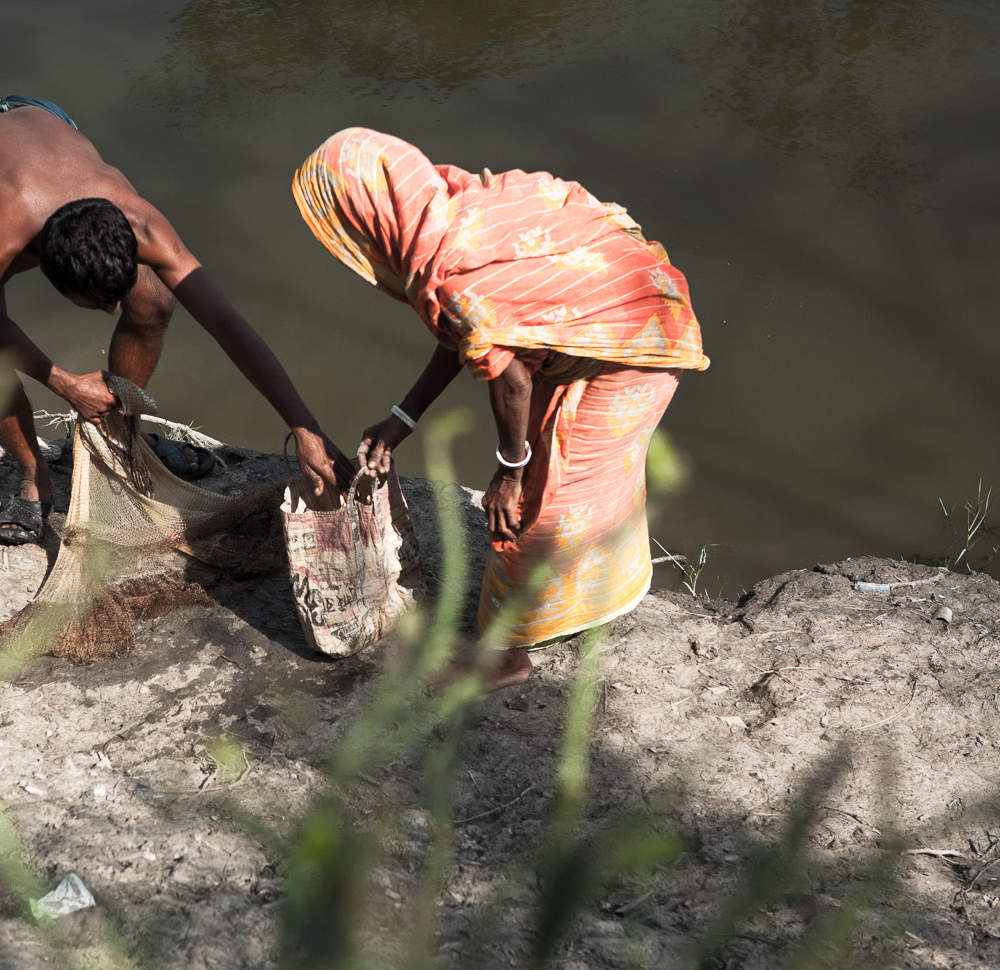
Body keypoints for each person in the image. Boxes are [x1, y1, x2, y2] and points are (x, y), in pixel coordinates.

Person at [292, 127, 709, 691]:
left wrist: (510, 472)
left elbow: (509, 378)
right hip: (616, 316)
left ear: (374, 217)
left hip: (631, 345)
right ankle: (587, 599)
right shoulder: (450, 217)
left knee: (539, 498)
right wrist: (403, 419)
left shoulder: (452, 273)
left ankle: (505, 656)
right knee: (580, 481)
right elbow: (465, 334)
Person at [0, 95, 345, 544]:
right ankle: (32, 478)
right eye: (98, 304)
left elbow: (228, 325)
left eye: (113, 298)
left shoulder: (143, 224)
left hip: (46, 120)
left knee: (154, 301)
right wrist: (64, 382)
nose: (113, 312)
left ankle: (121, 444)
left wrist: (304, 427)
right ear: (44, 268)